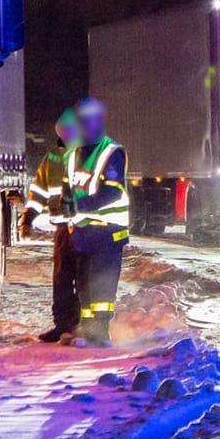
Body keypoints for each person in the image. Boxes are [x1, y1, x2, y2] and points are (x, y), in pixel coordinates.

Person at [64, 97, 130, 345]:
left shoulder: (111, 152)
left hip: (107, 232)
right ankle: (87, 328)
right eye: (81, 120)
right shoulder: (73, 154)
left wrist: (79, 206)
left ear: (99, 121)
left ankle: (100, 332)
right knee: (84, 284)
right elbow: (69, 188)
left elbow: (113, 192)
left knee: (102, 284)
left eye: (89, 120)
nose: (84, 125)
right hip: (83, 231)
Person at [25, 108, 82, 343]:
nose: (67, 137)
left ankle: (80, 325)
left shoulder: (86, 156)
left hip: (82, 226)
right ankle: (63, 324)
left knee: (82, 278)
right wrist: (28, 217)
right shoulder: (53, 158)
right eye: (64, 133)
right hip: (62, 228)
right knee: (62, 279)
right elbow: (39, 191)